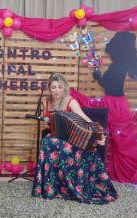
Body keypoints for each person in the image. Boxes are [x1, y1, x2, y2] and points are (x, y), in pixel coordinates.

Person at [32, 73, 117, 204]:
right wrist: (49, 121)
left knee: (54, 143)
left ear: (64, 88)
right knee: (47, 142)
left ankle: (67, 185)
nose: (56, 90)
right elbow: (46, 124)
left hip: (72, 138)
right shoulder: (46, 102)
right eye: (53, 87)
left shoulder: (70, 101)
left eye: (60, 87)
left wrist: (98, 133)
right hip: (55, 135)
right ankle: (51, 186)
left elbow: (84, 118)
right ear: (49, 88)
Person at [91, 31, 137, 183]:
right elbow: (109, 85)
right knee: (116, 139)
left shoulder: (118, 66)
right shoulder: (120, 65)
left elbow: (108, 85)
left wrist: (97, 75)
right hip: (116, 102)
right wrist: (98, 75)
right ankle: (115, 170)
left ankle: (124, 171)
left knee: (117, 140)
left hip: (113, 103)